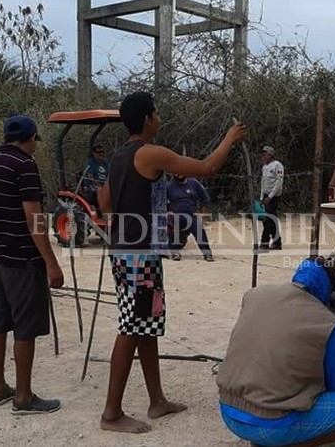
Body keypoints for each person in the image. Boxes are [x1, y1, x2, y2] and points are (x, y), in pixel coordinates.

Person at [96, 91, 247, 434]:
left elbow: (105, 203)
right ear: (147, 119)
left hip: (125, 251)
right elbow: (207, 168)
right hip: (139, 255)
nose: (160, 119)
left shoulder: (119, 156)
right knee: (131, 327)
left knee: (146, 325)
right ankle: (111, 414)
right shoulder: (150, 153)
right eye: (157, 113)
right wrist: (229, 138)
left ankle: (157, 400)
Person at [216, 257, 335, 446]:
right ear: (327, 288)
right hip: (271, 424)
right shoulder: (330, 324)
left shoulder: (254, 294)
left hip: (229, 412)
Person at [0, 115, 65, 414]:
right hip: (24, 259)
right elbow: (34, 220)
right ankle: (24, 397)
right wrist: (51, 263)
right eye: (34, 141)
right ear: (30, 139)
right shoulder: (24, 165)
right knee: (25, 327)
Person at [166, 174, 214, 262]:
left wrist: (203, 214)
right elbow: (162, 202)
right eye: (176, 171)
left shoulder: (194, 183)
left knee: (198, 227)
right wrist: (167, 212)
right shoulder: (168, 186)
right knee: (171, 224)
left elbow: (205, 198)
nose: (179, 173)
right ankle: (175, 252)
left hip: (192, 214)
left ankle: (207, 254)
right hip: (176, 215)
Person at [259, 146, 284, 251]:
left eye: (265, 154)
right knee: (270, 219)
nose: (263, 157)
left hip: (273, 196)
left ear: (270, 155)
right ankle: (277, 242)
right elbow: (263, 182)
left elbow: (278, 182)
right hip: (266, 195)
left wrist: (270, 196)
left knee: (268, 219)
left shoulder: (277, 165)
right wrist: (262, 197)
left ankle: (264, 242)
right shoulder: (264, 167)